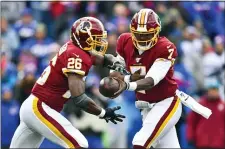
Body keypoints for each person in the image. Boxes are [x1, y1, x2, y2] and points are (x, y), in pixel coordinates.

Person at [10, 17, 126, 148]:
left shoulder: (77, 49)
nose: (99, 42)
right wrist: (103, 113)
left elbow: (101, 59)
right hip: (41, 107)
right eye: (95, 39)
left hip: (35, 106)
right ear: (83, 38)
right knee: (79, 144)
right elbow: (80, 99)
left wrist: (117, 63)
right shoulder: (76, 55)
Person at [109, 8, 182, 148]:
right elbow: (117, 69)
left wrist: (126, 85)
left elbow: (150, 81)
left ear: (156, 32)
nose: (142, 39)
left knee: (140, 141)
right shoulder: (125, 41)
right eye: (138, 34)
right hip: (145, 107)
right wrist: (114, 81)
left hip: (165, 103)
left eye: (147, 35)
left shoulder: (165, 47)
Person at [186, 78, 225, 148]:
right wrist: (190, 136)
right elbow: (191, 122)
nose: (213, 92)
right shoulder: (200, 105)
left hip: (219, 143)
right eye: (211, 89)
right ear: (207, 91)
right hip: (202, 142)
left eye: (215, 89)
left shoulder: (223, 106)